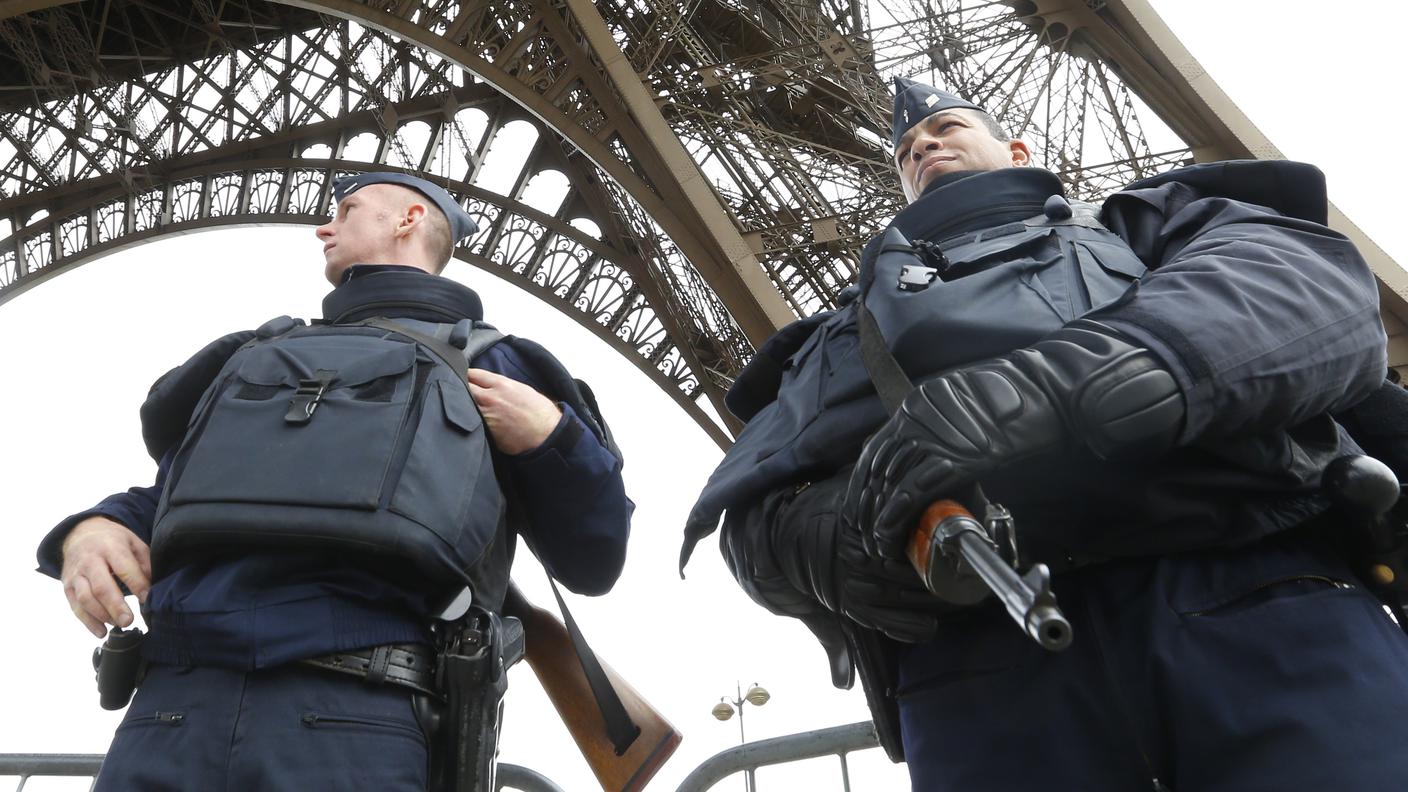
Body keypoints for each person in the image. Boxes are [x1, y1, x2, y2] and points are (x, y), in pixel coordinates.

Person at [683, 77, 1408, 790]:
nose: (923, 145)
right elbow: (755, 515)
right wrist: (844, 540)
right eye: (906, 149)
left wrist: (1055, 392)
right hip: (982, 660)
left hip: (1254, 587)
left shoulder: (1139, 221)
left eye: (948, 129)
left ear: (1019, 149)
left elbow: (1308, 294)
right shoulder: (834, 337)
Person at [36, 171, 633, 790]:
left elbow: (593, 559)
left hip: (306, 714)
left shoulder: (496, 366)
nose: (323, 225)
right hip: (207, 707)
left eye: (347, 209)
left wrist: (551, 435)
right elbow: (175, 495)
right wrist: (95, 527)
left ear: (408, 219)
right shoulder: (260, 353)